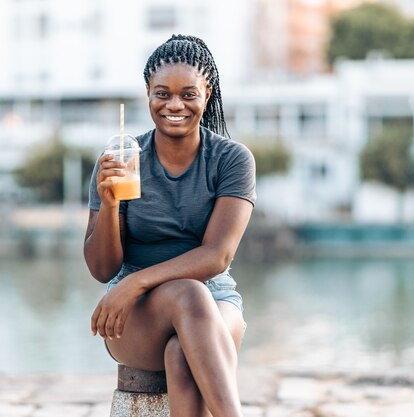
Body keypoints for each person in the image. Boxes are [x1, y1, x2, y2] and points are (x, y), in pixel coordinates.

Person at [84, 34, 256, 417]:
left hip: (214, 301)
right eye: (162, 93)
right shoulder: (119, 160)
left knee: (183, 352)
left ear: (207, 94)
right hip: (137, 315)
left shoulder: (231, 160)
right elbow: (102, 269)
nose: (174, 104)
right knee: (189, 296)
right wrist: (110, 205)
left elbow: (217, 256)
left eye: (188, 94)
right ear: (147, 93)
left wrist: (137, 281)